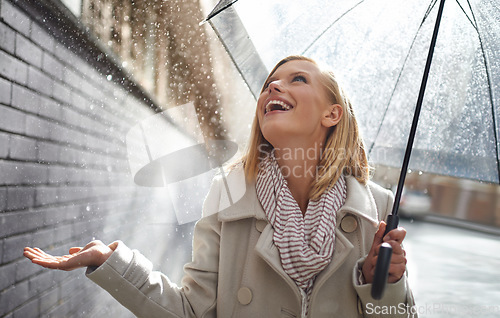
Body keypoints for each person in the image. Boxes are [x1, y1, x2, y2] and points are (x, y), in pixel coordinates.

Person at [24, 55, 416, 317]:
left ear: (333, 113)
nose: (274, 88)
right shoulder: (227, 194)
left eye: (297, 79)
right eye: (268, 84)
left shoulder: (376, 211)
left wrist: (384, 284)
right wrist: (111, 263)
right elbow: (193, 310)